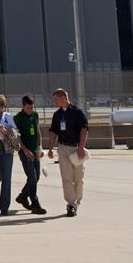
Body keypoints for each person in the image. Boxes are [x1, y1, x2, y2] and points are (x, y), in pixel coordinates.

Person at [46, 88, 89, 217]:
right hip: (63, 148)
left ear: (63, 97)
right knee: (66, 178)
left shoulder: (77, 112)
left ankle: (77, 201)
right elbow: (53, 131)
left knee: (78, 179)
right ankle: (71, 204)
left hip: (76, 148)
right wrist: (51, 148)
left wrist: (81, 147)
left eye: (56, 99)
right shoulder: (57, 114)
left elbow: (84, 130)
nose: (54, 101)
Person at [13, 96, 47, 214]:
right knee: (32, 177)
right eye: (28, 108)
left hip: (35, 150)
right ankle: (35, 203)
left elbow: (37, 131)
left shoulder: (35, 115)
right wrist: (25, 150)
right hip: (25, 152)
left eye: (32, 107)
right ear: (23, 106)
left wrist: (40, 147)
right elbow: (16, 137)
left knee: (37, 177)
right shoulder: (18, 118)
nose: (30, 110)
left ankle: (23, 196)